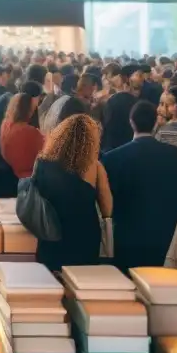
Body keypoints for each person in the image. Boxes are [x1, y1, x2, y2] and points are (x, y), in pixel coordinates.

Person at [103, 101, 177, 272]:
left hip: (127, 237)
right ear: (156, 123)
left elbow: (108, 202)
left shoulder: (112, 158)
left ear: (131, 122)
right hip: (168, 235)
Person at [31, 114, 110, 270]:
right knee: (80, 284)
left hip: (50, 235)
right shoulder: (95, 167)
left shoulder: (41, 164)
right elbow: (107, 208)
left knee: (51, 282)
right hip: (83, 238)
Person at [0, 83, 45, 179]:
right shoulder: (30, 132)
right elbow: (43, 156)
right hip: (30, 178)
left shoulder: (6, 124)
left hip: (11, 174)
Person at [102, 65, 138, 152]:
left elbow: (108, 125)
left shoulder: (115, 99)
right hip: (129, 143)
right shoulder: (108, 98)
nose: (107, 80)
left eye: (108, 77)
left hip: (114, 144)